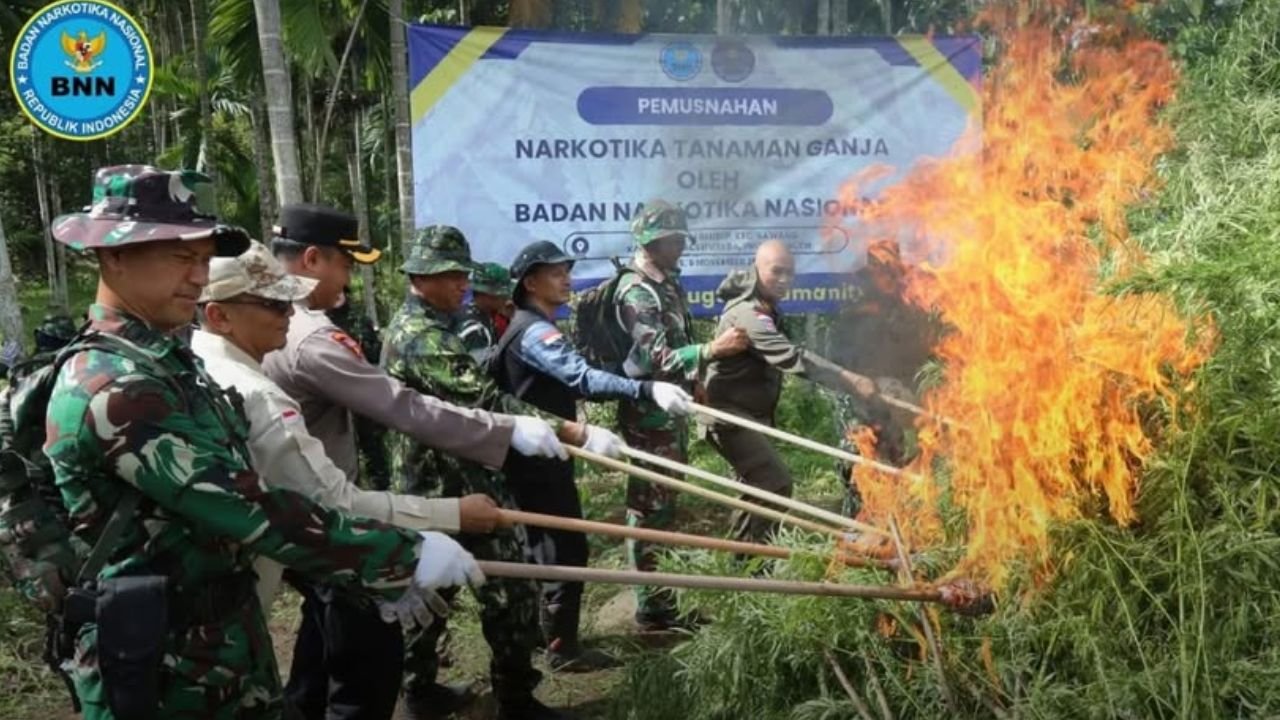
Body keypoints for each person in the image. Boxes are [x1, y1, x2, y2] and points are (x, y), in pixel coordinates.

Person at [42, 164, 483, 720]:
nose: (198, 276)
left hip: (212, 643)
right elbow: (246, 505)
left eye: (203, 259)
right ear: (113, 256)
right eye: (181, 257)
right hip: (163, 666)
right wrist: (404, 554)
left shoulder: (169, 361)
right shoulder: (118, 386)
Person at [260, 203, 567, 720]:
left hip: (323, 508)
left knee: (322, 656)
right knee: (357, 666)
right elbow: (407, 409)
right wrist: (529, 429)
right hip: (341, 509)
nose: (351, 276)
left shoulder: (299, 328)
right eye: (345, 263)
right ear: (313, 259)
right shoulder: (312, 337)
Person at [384, 226, 625, 716]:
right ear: (418, 278)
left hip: (475, 480)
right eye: (448, 275)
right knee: (430, 596)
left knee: (511, 592)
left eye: (461, 275)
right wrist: (571, 432)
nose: (460, 285)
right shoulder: (419, 335)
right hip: (433, 487)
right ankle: (417, 691)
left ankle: (515, 696)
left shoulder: (446, 322)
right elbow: (485, 398)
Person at [191, 240, 504, 611]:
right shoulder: (260, 396)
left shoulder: (193, 361)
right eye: (273, 304)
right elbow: (333, 503)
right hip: (225, 602)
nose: (289, 314)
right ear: (219, 316)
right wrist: (450, 516)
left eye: (288, 302)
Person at [492, 239, 693, 665]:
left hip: (535, 451)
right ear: (530, 282)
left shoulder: (530, 325)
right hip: (536, 457)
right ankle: (561, 649)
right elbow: (581, 378)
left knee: (539, 547)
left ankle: (539, 637)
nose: (566, 279)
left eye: (567, 270)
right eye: (555, 273)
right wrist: (645, 387)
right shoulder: (534, 331)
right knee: (565, 550)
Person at [608, 200, 748, 629]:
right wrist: (712, 350)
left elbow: (676, 341)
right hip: (648, 417)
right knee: (651, 505)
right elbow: (657, 356)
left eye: (681, 240)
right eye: (674, 241)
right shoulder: (636, 292)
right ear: (652, 242)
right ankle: (652, 608)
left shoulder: (666, 283)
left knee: (666, 501)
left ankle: (662, 600)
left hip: (670, 411)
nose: (680, 248)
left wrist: (697, 380)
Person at [702, 240, 880, 542]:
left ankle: (745, 565)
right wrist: (850, 379)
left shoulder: (765, 306)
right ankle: (759, 563)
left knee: (754, 487)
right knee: (775, 483)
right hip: (728, 417)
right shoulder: (748, 313)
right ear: (757, 270)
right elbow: (790, 356)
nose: (784, 280)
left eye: (790, 273)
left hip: (749, 413)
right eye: (776, 272)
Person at [327, 286, 392, 490]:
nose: (338, 296)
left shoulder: (359, 318)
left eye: (341, 293)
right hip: (334, 397)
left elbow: (376, 353)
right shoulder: (320, 324)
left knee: (373, 445)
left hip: (365, 394)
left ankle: (380, 484)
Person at [458, 261, 515, 362]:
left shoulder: (479, 314)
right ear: (488, 295)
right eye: (502, 294)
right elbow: (480, 368)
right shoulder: (475, 329)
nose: (506, 298)